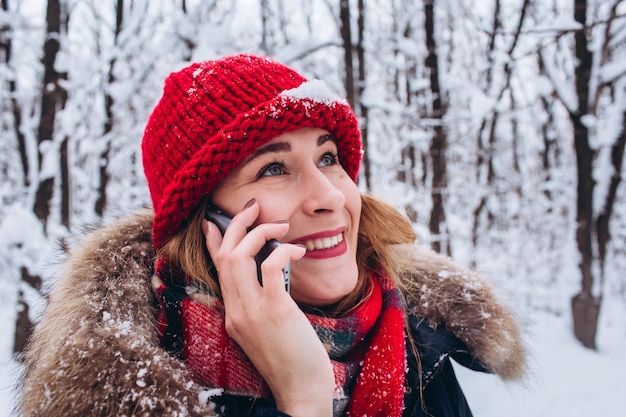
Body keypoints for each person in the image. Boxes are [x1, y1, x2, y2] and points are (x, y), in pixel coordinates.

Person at [18, 54, 526, 417]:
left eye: (328, 158)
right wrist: (304, 399)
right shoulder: (136, 389)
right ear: (208, 226)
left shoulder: (415, 339)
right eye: (273, 169)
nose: (328, 195)